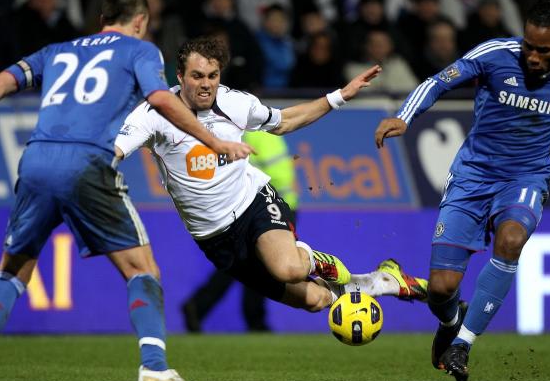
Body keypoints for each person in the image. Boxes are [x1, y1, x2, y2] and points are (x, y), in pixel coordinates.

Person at [0, 0, 252, 381]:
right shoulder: (141, 50)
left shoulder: (57, 50)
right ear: (140, 21)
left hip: (36, 160)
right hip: (86, 163)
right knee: (142, 271)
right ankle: (155, 369)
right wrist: (214, 141)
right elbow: (159, 99)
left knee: (11, 271)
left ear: (102, 19)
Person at [116, 37, 429, 342]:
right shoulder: (152, 115)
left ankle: (317, 262)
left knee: (289, 267)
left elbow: (284, 121)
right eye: (197, 76)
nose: (206, 84)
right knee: (317, 300)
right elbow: (113, 151)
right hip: (213, 237)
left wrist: (340, 96)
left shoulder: (234, 102)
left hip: (254, 204)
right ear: (180, 77)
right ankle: (380, 281)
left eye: (213, 76)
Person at [374, 0, 550, 381]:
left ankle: (463, 344)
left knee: (511, 240)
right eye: (529, 47)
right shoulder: (493, 55)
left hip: (525, 178)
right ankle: (451, 322)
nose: (533, 57)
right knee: (441, 289)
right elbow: (439, 81)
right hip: (472, 177)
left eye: (544, 50)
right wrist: (404, 117)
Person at [182, 130, 298, 332]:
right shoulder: (255, 130)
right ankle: (253, 319)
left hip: (272, 203)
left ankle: (199, 306)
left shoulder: (258, 128)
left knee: (244, 264)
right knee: (260, 264)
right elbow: (277, 174)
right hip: (265, 205)